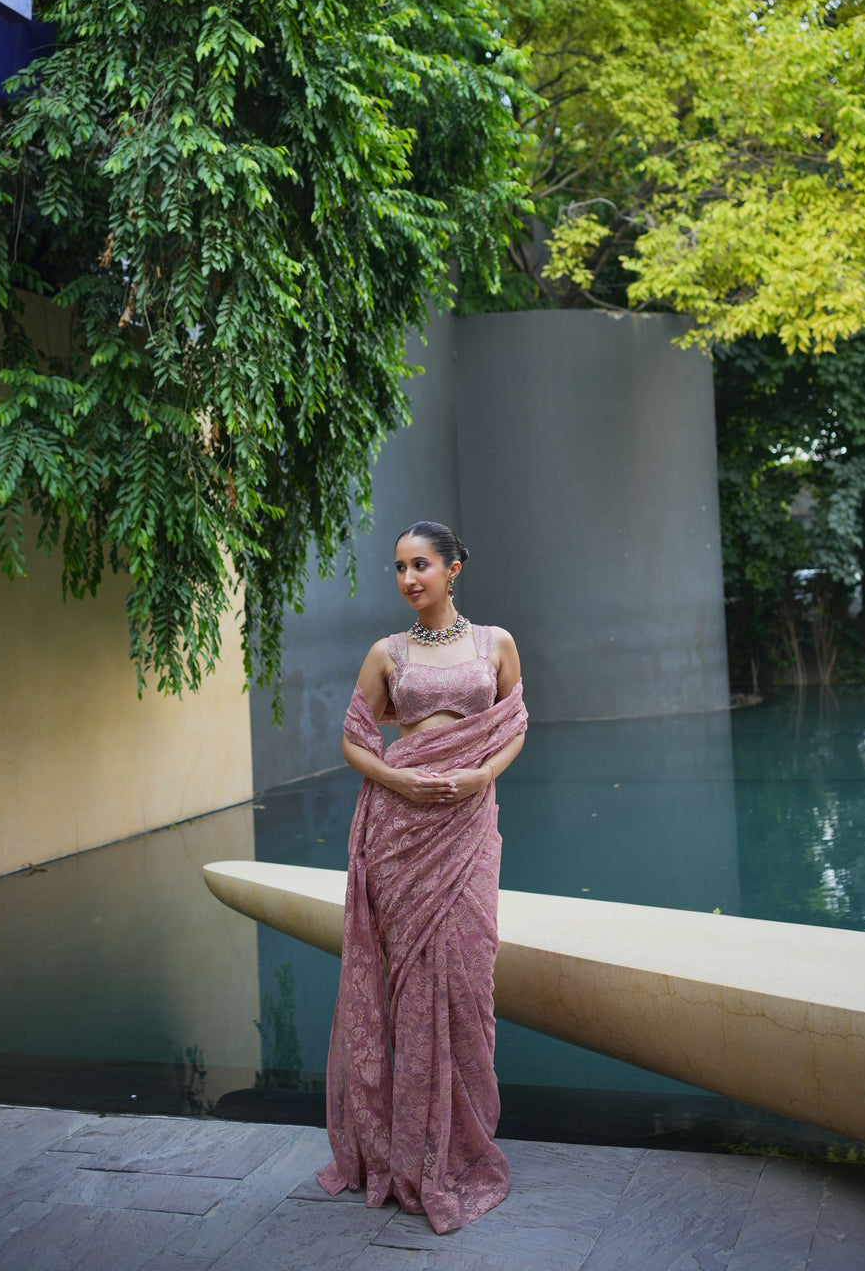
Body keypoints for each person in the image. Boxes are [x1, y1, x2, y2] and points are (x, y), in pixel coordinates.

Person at [317, 519, 527, 1233]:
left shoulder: (495, 643)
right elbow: (354, 740)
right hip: (399, 831)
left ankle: (462, 1145)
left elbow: (516, 723)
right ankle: (409, 1151)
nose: (408, 579)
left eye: (421, 565)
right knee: (408, 990)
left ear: (453, 568)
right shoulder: (387, 653)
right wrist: (398, 781)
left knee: (468, 980)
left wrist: (482, 775)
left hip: (468, 825)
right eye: (400, 568)